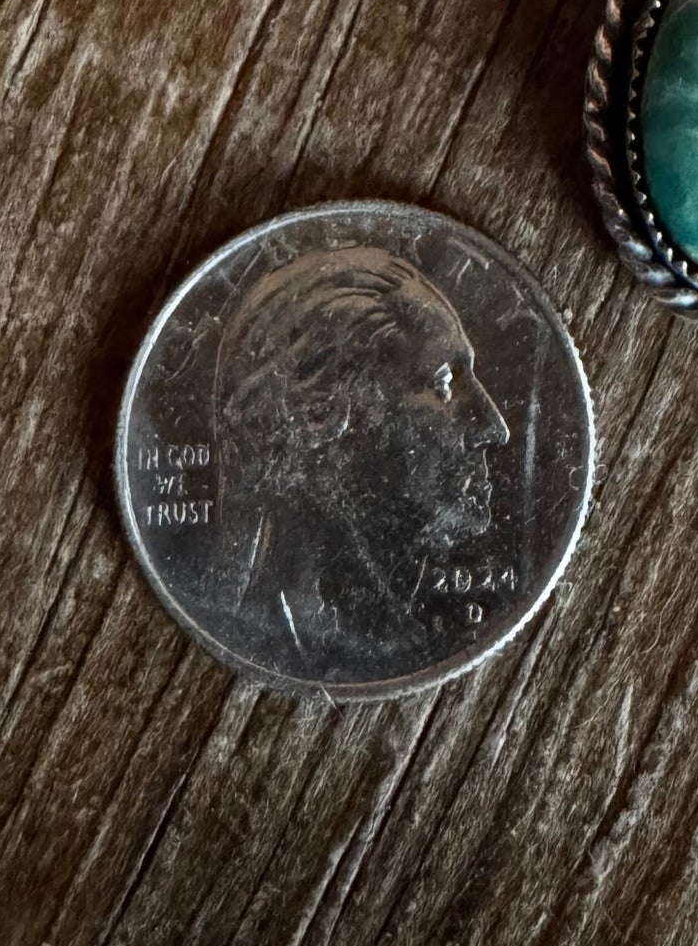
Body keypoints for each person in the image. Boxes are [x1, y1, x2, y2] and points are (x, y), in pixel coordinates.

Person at [211, 245, 510, 673]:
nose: (494, 426)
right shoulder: (277, 634)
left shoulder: (394, 625)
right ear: (321, 415)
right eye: (443, 381)